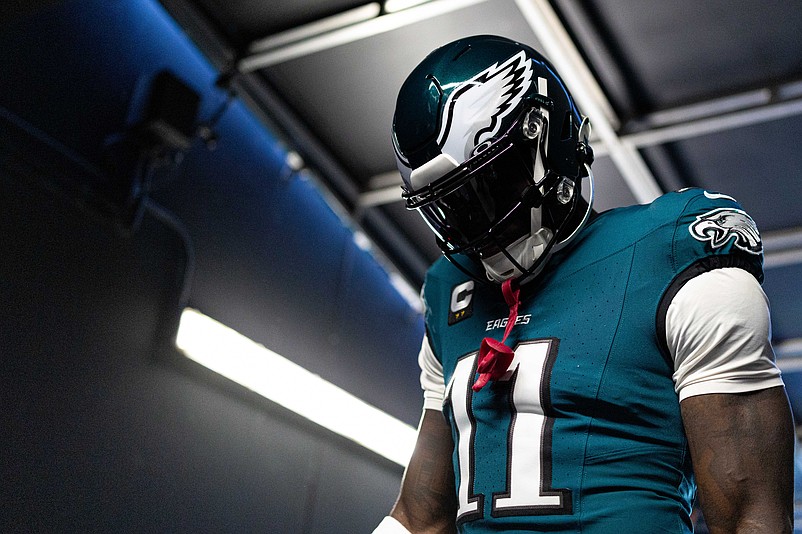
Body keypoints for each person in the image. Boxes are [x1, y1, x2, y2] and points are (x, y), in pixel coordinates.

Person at [373, 35, 794, 533]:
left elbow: (751, 518)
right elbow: (422, 519)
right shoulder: (450, 293)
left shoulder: (672, 252)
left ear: (545, 139)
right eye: (452, 207)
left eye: (487, 190)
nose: (474, 230)